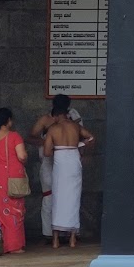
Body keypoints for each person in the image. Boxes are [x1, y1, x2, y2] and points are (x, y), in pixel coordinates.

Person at [42, 96, 95, 249]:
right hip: (73, 160)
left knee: (58, 198)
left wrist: (57, 148)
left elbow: (46, 152)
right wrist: (81, 144)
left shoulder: (53, 129)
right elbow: (91, 137)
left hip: (60, 161)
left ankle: (55, 240)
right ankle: (72, 239)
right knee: (73, 199)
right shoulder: (75, 127)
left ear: (56, 115)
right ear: (66, 113)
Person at [0, 107, 28, 255]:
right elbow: (21, 155)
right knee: (14, 213)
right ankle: (14, 246)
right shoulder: (14, 136)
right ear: (8, 121)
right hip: (11, 182)